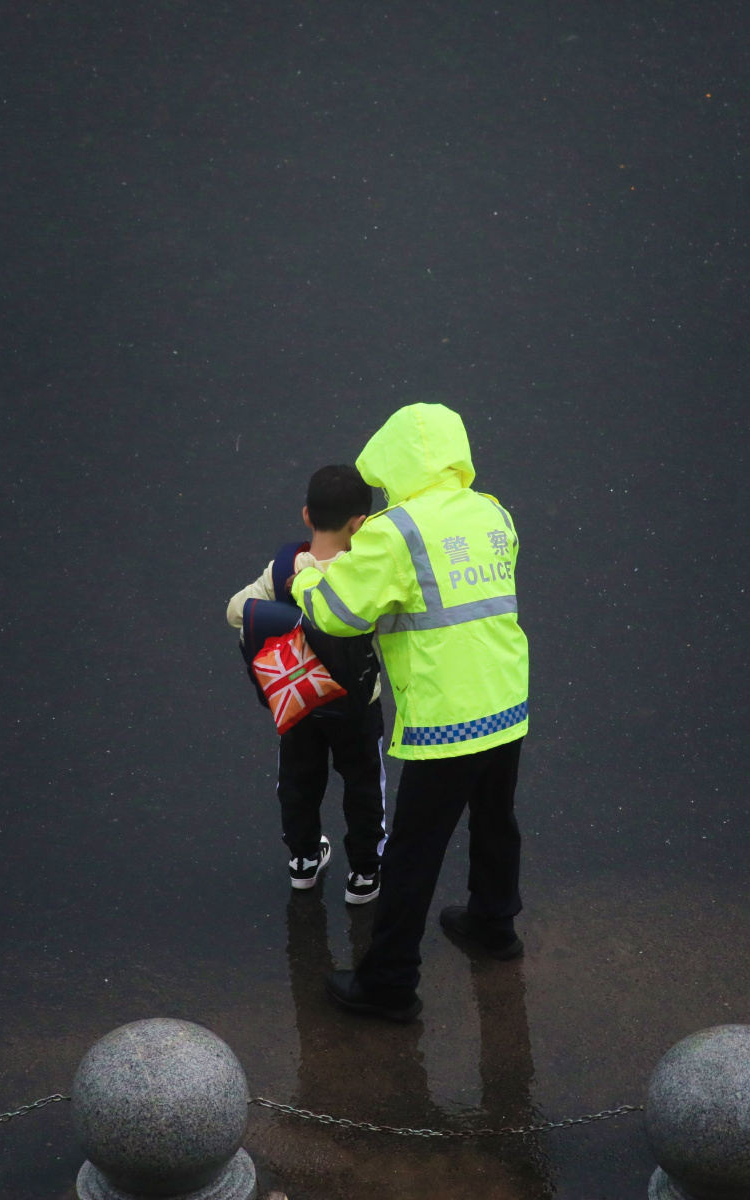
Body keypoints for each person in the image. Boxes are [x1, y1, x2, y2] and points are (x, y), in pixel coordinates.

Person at [290, 404, 528, 1021]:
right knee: (496, 821)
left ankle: (389, 983)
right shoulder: (492, 511)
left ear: (393, 461)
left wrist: (306, 578)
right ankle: (495, 925)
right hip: (506, 699)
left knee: (412, 855)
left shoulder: (395, 531)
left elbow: (339, 614)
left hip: (448, 716)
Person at [226, 465, 387, 905]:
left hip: (299, 698)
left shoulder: (285, 569)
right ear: (359, 523)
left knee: (298, 781)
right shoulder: (365, 574)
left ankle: (303, 860)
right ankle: (365, 873)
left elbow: (236, 610)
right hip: (356, 704)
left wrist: (289, 606)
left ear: (306, 515)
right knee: (363, 786)